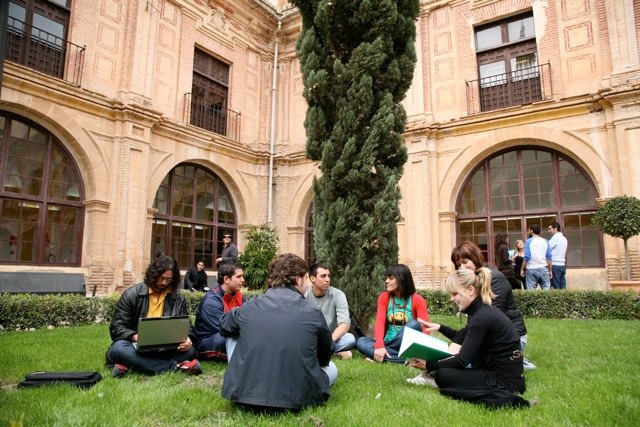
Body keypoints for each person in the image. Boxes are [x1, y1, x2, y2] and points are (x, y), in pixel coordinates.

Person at [219, 253, 337, 411]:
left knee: (232, 335)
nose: (308, 285)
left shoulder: (250, 307)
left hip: (245, 395)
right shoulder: (313, 311)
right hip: (298, 395)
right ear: (298, 279)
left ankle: (242, 378)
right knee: (332, 368)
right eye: (306, 279)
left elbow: (224, 325)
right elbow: (325, 355)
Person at [406, 269, 527, 407]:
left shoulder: (481, 317)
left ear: (470, 290)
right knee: (444, 371)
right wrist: (440, 327)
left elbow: (462, 360)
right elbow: (464, 337)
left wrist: (428, 365)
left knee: (443, 375)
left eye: (455, 293)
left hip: (506, 382)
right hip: (504, 375)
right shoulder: (482, 311)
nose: (452, 299)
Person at [106, 256, 202, 377]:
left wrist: (188, 339)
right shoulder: (131, 295)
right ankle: (176, 367)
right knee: (118, 348)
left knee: (190, 350)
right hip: (135, 346)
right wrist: (136, 337)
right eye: (161, 278)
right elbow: (116, 327)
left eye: (168, 280)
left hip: (166, 348)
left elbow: (187, 326)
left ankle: (132, 364)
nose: (164, 283)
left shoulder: (178, 298)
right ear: (153, 275)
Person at [447, 241, 534, 370]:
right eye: (458, 265)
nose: (462, 268)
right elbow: (473, 325)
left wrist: (463, 347)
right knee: (458, 357)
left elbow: (487, 320)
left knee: (467, 363)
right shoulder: (471, 281)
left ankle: (516, 360)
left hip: (510, 338)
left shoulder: (495, 279)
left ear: (475, 257)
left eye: (465, 262)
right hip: (488, 334)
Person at [355, 264, 430, 363]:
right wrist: (380, 346)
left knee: (414, 324)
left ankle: (382, 356)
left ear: (401, 280)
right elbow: (380, 323)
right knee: (361, 342)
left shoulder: (417, 299)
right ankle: (406, 360)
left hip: (408, 345)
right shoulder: (384, 297)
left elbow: (425, 329)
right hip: (388, 342)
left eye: (391, 278)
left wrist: (424, 351)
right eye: (387, 278)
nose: (386, 281)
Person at [194, 263, 245, 361]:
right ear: (226, 279)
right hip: (208, 342)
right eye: (239, 276)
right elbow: (224, 329)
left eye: (242, 276)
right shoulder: (211, 301)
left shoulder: (239, 296)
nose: (243, 280)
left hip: (229, 335)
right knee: (223, 340)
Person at [304, 262, 355, 360]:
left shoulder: (338, 295)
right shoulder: (305, 295)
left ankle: (317, 352)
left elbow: (344, 323)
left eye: (328, 276)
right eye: (323, 276)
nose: (327, 280)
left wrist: (330, 340)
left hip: (330, 336)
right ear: (312, 278)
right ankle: (331, 353)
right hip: (310, 336)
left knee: (350, 339)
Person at [521, 224, 552, 290]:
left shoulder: (528, 241)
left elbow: (527, 257)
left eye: (529, 230)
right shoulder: (546, 241)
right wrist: (550, 270)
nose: (528, 231)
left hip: (531, 268)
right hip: (543, 268)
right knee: (547, 292)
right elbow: (549, 258)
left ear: (531, 231)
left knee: (531, 293)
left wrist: (522, 269)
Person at [548, 222, 568, 289]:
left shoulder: (555, 238)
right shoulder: (564, 238)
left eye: (550, 229)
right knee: (563, 286)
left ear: (555, 228)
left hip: (555, 264)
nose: (549, 231)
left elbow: (547, 248)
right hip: (562, 264)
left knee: (555, 287)